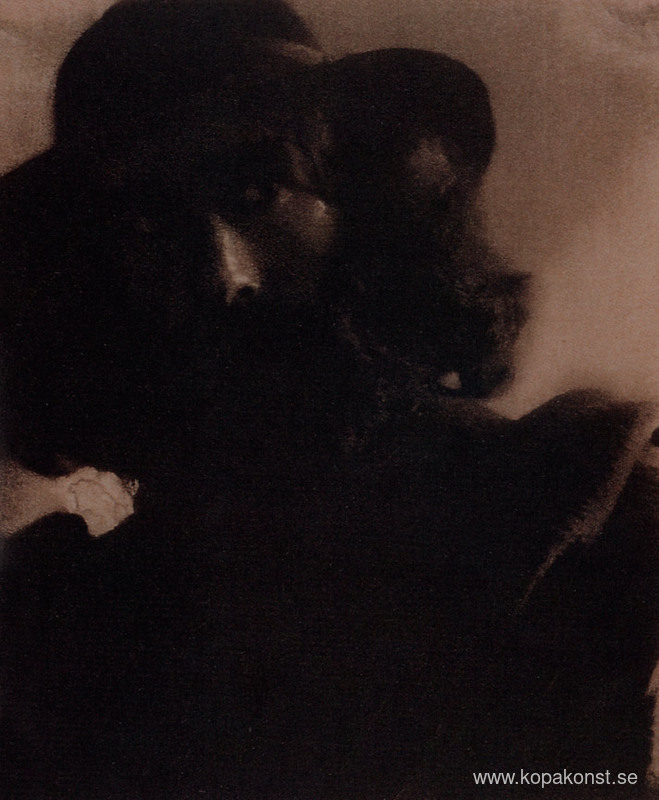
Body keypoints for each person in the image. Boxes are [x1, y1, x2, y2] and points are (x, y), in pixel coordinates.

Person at [1, 1, 657, 797]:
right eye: (149, 226)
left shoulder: (579, 521)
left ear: (369, 203)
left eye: (256, 192)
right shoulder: (59, 609)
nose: (222, 276)